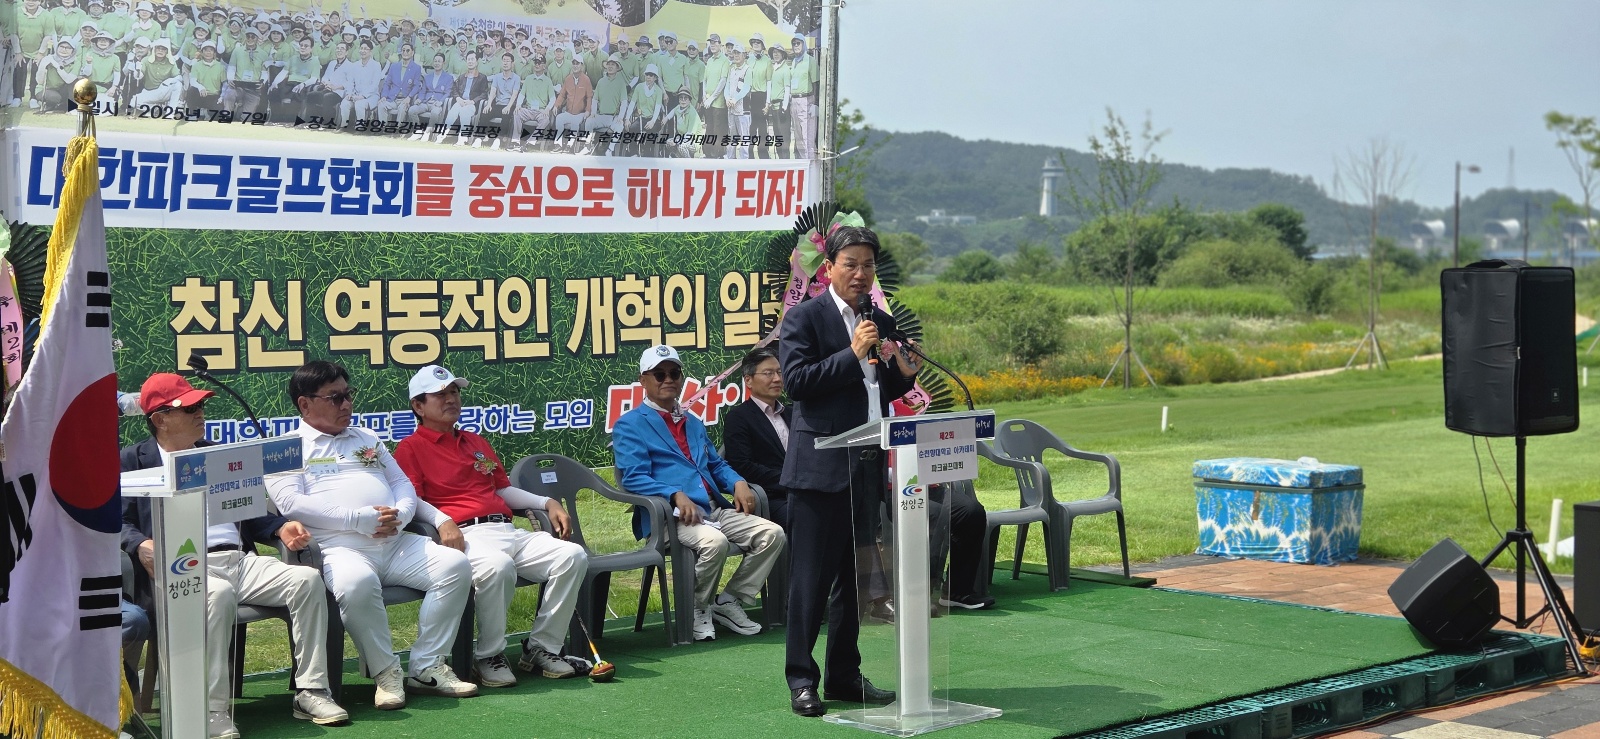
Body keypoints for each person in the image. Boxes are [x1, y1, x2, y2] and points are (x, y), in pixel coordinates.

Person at [120, 373, 348, 738]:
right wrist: (139, 544)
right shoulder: (133, 460)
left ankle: (311, 690)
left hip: (238, 561)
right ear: (160, 418)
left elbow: (250, 510)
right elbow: (118, 521)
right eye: (189, 407)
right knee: (218, 594)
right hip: (179, 568)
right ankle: (212, 711)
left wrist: (278, 527)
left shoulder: (217, 454)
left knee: (305, 579)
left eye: (201, 405)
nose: (201, 412)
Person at [265, 360, 478, 711]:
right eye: (335, 398)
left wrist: (402, 514)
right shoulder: (284, 447)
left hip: (395, 542)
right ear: (305, 404)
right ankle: (386, 672)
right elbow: (290, 502)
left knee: (454, 565)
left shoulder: (366, 437)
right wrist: (357, 520)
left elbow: (400, 483)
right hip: (338, 548)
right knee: (356, 583)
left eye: (348, 395)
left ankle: (426, 666)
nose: (346, 405)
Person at [780, 225, 921, 717]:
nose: (861, 274)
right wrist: (853, 353)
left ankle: (843, 674)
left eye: (868, 266)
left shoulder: (877, 319)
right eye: (851, 265)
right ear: (829, 268)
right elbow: (797, 384)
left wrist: (899, 373)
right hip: (820, 471)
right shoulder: (805, 319)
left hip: (865, 467)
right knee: (810, 584)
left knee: (854, 583)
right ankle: (802, 679)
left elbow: (869, 393)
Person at [392, 365, 591, 686]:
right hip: (464, 535)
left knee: (572, 557)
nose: (451, 399)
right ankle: (488, 656)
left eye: (454, 392)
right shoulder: (410, 448)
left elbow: (500, 489)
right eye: (440, 394)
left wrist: (546, 502)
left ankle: (542, 648)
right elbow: (410, 500)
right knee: (497, 567)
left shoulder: (476, 442)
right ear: (418, 405)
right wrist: (443, 522)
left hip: (506, 529)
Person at [612, 345, 786, 642]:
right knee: (714, 542)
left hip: (711, 511)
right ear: (643, 380)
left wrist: (738, 483)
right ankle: (697, 607)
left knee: (773, 534)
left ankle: (728, 600)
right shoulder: (629, 425)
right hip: (669, 519)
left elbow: (716, 464)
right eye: (659, 373)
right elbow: (633, 477)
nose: (668, 379)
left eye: (674, 373)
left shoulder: (692, 422)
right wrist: (673, 494)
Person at [722, 347, 791, 528]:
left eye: (779, 372)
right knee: (808, 519)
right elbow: (743, 466)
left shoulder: (793, 414)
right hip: (770, 498)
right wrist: (790, 480)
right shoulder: (738, 418)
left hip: (805, 492)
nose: (777, 379)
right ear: (748, 380)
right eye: (768, 373)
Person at [439, 48, 487, 145]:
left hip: (471, 104)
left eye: (472, 59)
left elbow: (484, 93)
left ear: (476, 62)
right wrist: (458, 98)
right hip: (461, 102)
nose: (470, 61)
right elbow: (454, 89)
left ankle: (462, 138)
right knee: (453, 111)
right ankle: (442, 135)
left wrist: (473, 101)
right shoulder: (462, 77)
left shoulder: (482, 77)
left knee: (465, 112)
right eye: (468, 59)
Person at [510, 54, 555, 151]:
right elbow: (522, 94)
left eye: (539, 63)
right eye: (535, 63)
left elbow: (552, 98)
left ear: (544, 66)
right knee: (517, 112)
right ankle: (515, 141)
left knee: (545, 119)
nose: (536, 65)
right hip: (529, 109)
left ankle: (531, 141)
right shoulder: (528, 78)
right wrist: (518, 105)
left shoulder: (548, 81)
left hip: (540, 111)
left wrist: (547, 109)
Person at [406, 52, 452, 137]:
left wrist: (441, 102)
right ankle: (418, 131)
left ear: (443, 63)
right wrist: (419, 99)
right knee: (412, 110)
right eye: (435, 61)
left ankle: (427, 132)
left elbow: (448, 93)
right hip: (426, 102)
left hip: (437, 103)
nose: (437, 63)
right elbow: (423, 91)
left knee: (435, 112)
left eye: (439, 61)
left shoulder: (448, 77)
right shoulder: (427, 76)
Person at [551, 56, 591, 152]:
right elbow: (562, 95)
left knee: (575, 122)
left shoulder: (586, 79)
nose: (575, 66)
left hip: (580, 113)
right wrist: (556, 105)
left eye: (578, 63)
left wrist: (588, 110)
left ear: (581, 65)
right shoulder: (568, 79)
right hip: (569, 112)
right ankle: (558, 144)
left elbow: (589, 97)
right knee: (559, 118)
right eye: (574, 63)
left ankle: (570, 145)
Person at [375, 41, 421, 123]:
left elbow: (416, 86)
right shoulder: (394, 66)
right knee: (381, 104)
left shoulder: (416, 68)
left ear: (412, 52)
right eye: (403, 50)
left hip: (404, 98)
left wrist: (409, 97)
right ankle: (382, 128)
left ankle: (397, 130)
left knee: (402, 108)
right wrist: (384, 96)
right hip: (392, 98)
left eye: (407, 50)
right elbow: (387, 83)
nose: (405, 52)